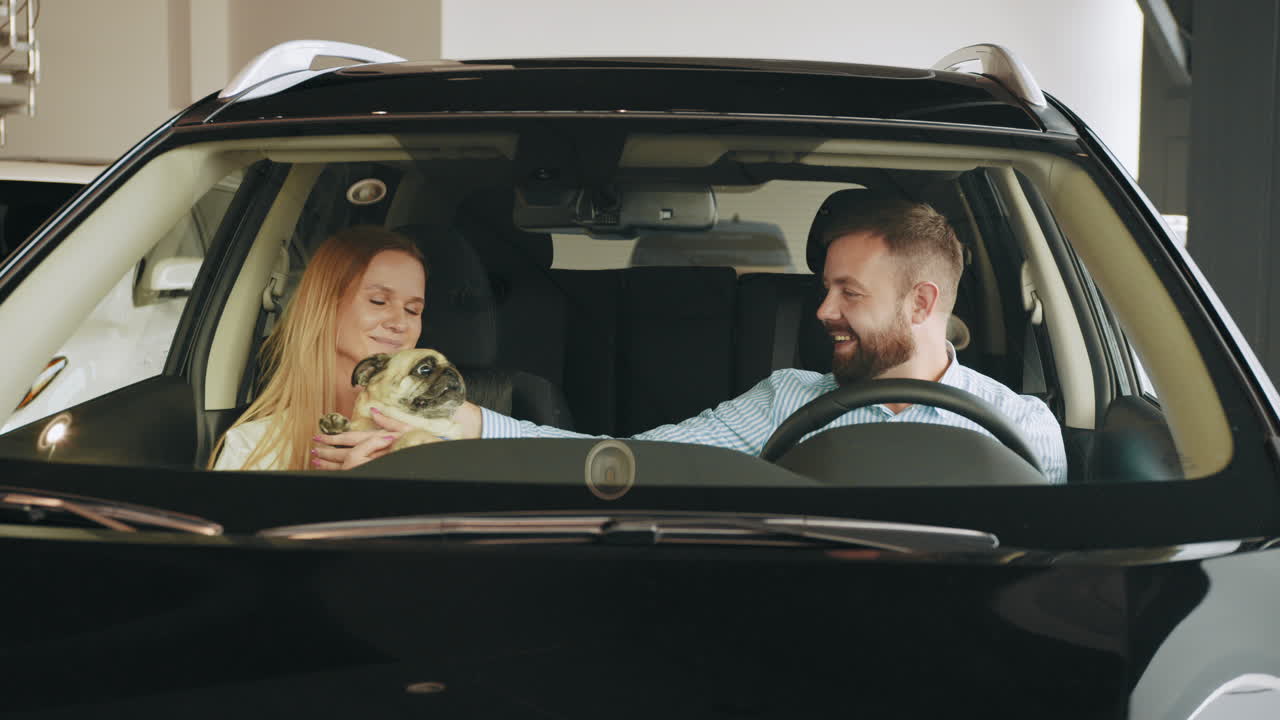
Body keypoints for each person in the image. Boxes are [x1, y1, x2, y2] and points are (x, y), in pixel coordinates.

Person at [315, 195, 1067, 483]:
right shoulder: (786, 400)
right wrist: (461, 423)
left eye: (849, 293)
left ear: (922, 302)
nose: (822, 313)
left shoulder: (1024, 426)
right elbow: (626, 458)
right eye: (824, 289)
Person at [210, 226, 427, 471]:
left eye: (413, 310)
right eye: (378, 301)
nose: (399, 323)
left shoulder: (440, 440)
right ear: (326, 305)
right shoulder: (253, 447)